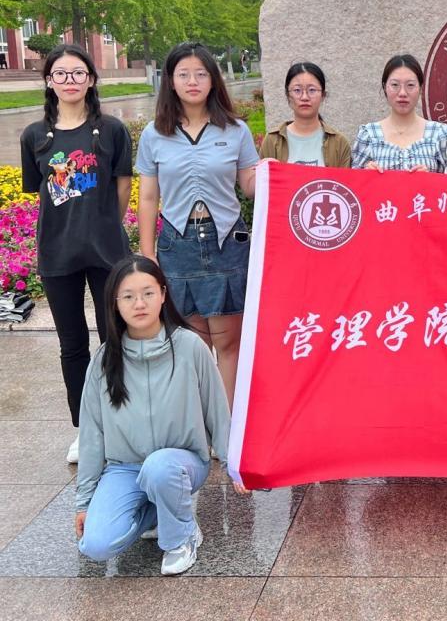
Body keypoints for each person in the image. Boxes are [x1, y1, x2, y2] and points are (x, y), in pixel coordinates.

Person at [75, 255, 246, 576]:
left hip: (182, 464)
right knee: (95, 546)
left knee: (160, 467)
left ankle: (181, 538)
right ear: (115, 303)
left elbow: (216, 411)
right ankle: (161, 510)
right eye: (128, 296)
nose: (139, 303)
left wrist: (233, 465)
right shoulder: (104, 360)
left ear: (164, 294)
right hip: (125, 468)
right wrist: (84, 502)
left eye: (148, 293)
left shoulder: (189, 346)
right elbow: (92, 435)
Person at [19, 43, 133, 464]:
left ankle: (121, 423)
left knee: (114, 339)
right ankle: (85, 429)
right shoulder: (34, 135)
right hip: (58, 252)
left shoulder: (112, 130)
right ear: (49, 81)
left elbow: (122, 187)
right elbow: (42, 194)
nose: (70, 81)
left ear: (91, 79)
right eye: (61, 74)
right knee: (72, 345)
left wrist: (103, 225)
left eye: (78, 73)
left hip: (106, 250)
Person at [136, 42, 259, 409]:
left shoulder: (235, 130)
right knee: (193, 343)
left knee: (228, 342)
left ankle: (228, 426)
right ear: (170, 81)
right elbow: (148, 198)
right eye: (184, 74)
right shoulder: (154, 134)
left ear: (213, 80)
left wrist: (278, 174)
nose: (193, 81)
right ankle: (200, 422)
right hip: (178, 245)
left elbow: (250, 185)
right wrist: (147, 255)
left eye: (201, 74)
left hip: (227, 243)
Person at [351, 54, 447, 172]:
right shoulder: (368, 135)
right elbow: (352, 181)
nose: (402, 93)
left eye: (410, 85)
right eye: (395, 85)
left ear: (420, 88)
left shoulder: (439, 134)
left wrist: (430, 178)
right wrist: (366, 174)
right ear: (385, 87)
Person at [258, 62, 351, 167]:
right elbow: (261, 177)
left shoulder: (339, 144)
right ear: (288, 95)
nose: (304, 97)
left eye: (312, 90)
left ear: (323, 95)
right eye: (297, 90)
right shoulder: (272, 141)